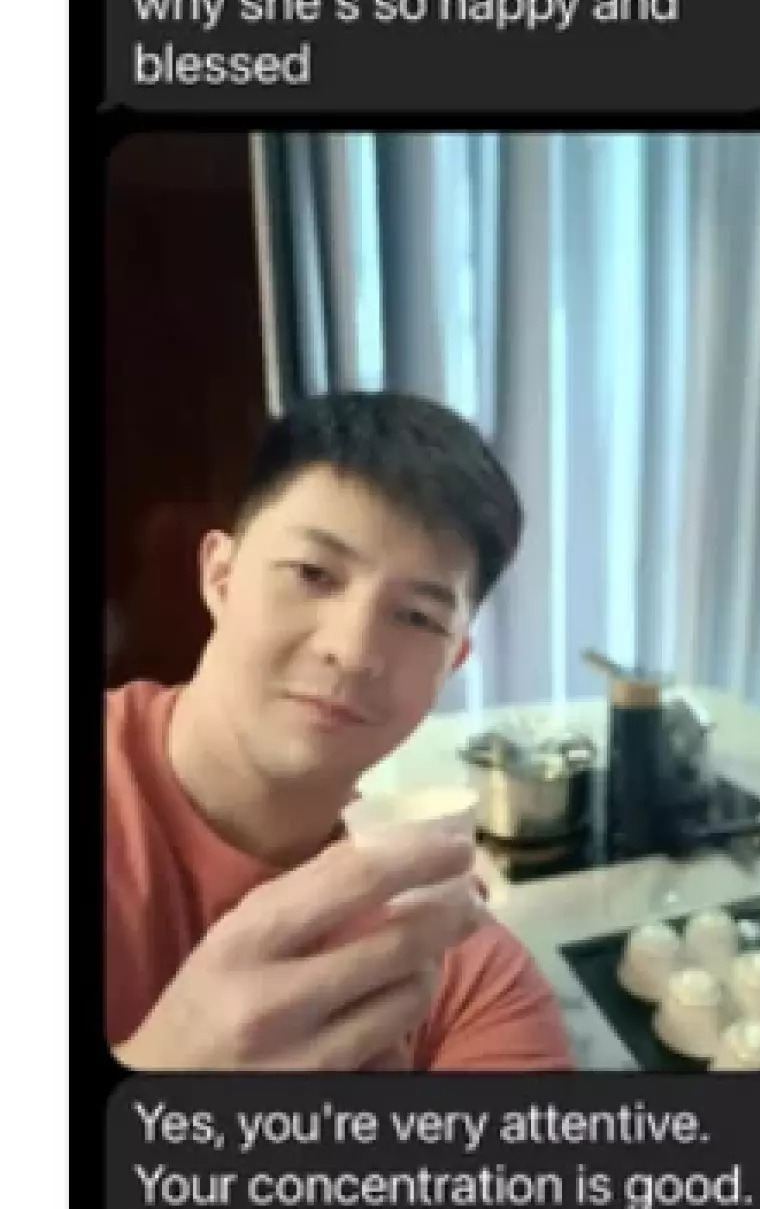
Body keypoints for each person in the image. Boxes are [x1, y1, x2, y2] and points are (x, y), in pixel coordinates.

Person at [106, 390, 575, 1071]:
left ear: (454, 662)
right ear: (221, 576)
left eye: (416, 617)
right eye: (313, 573)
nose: (353, 651)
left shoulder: (457, 965)